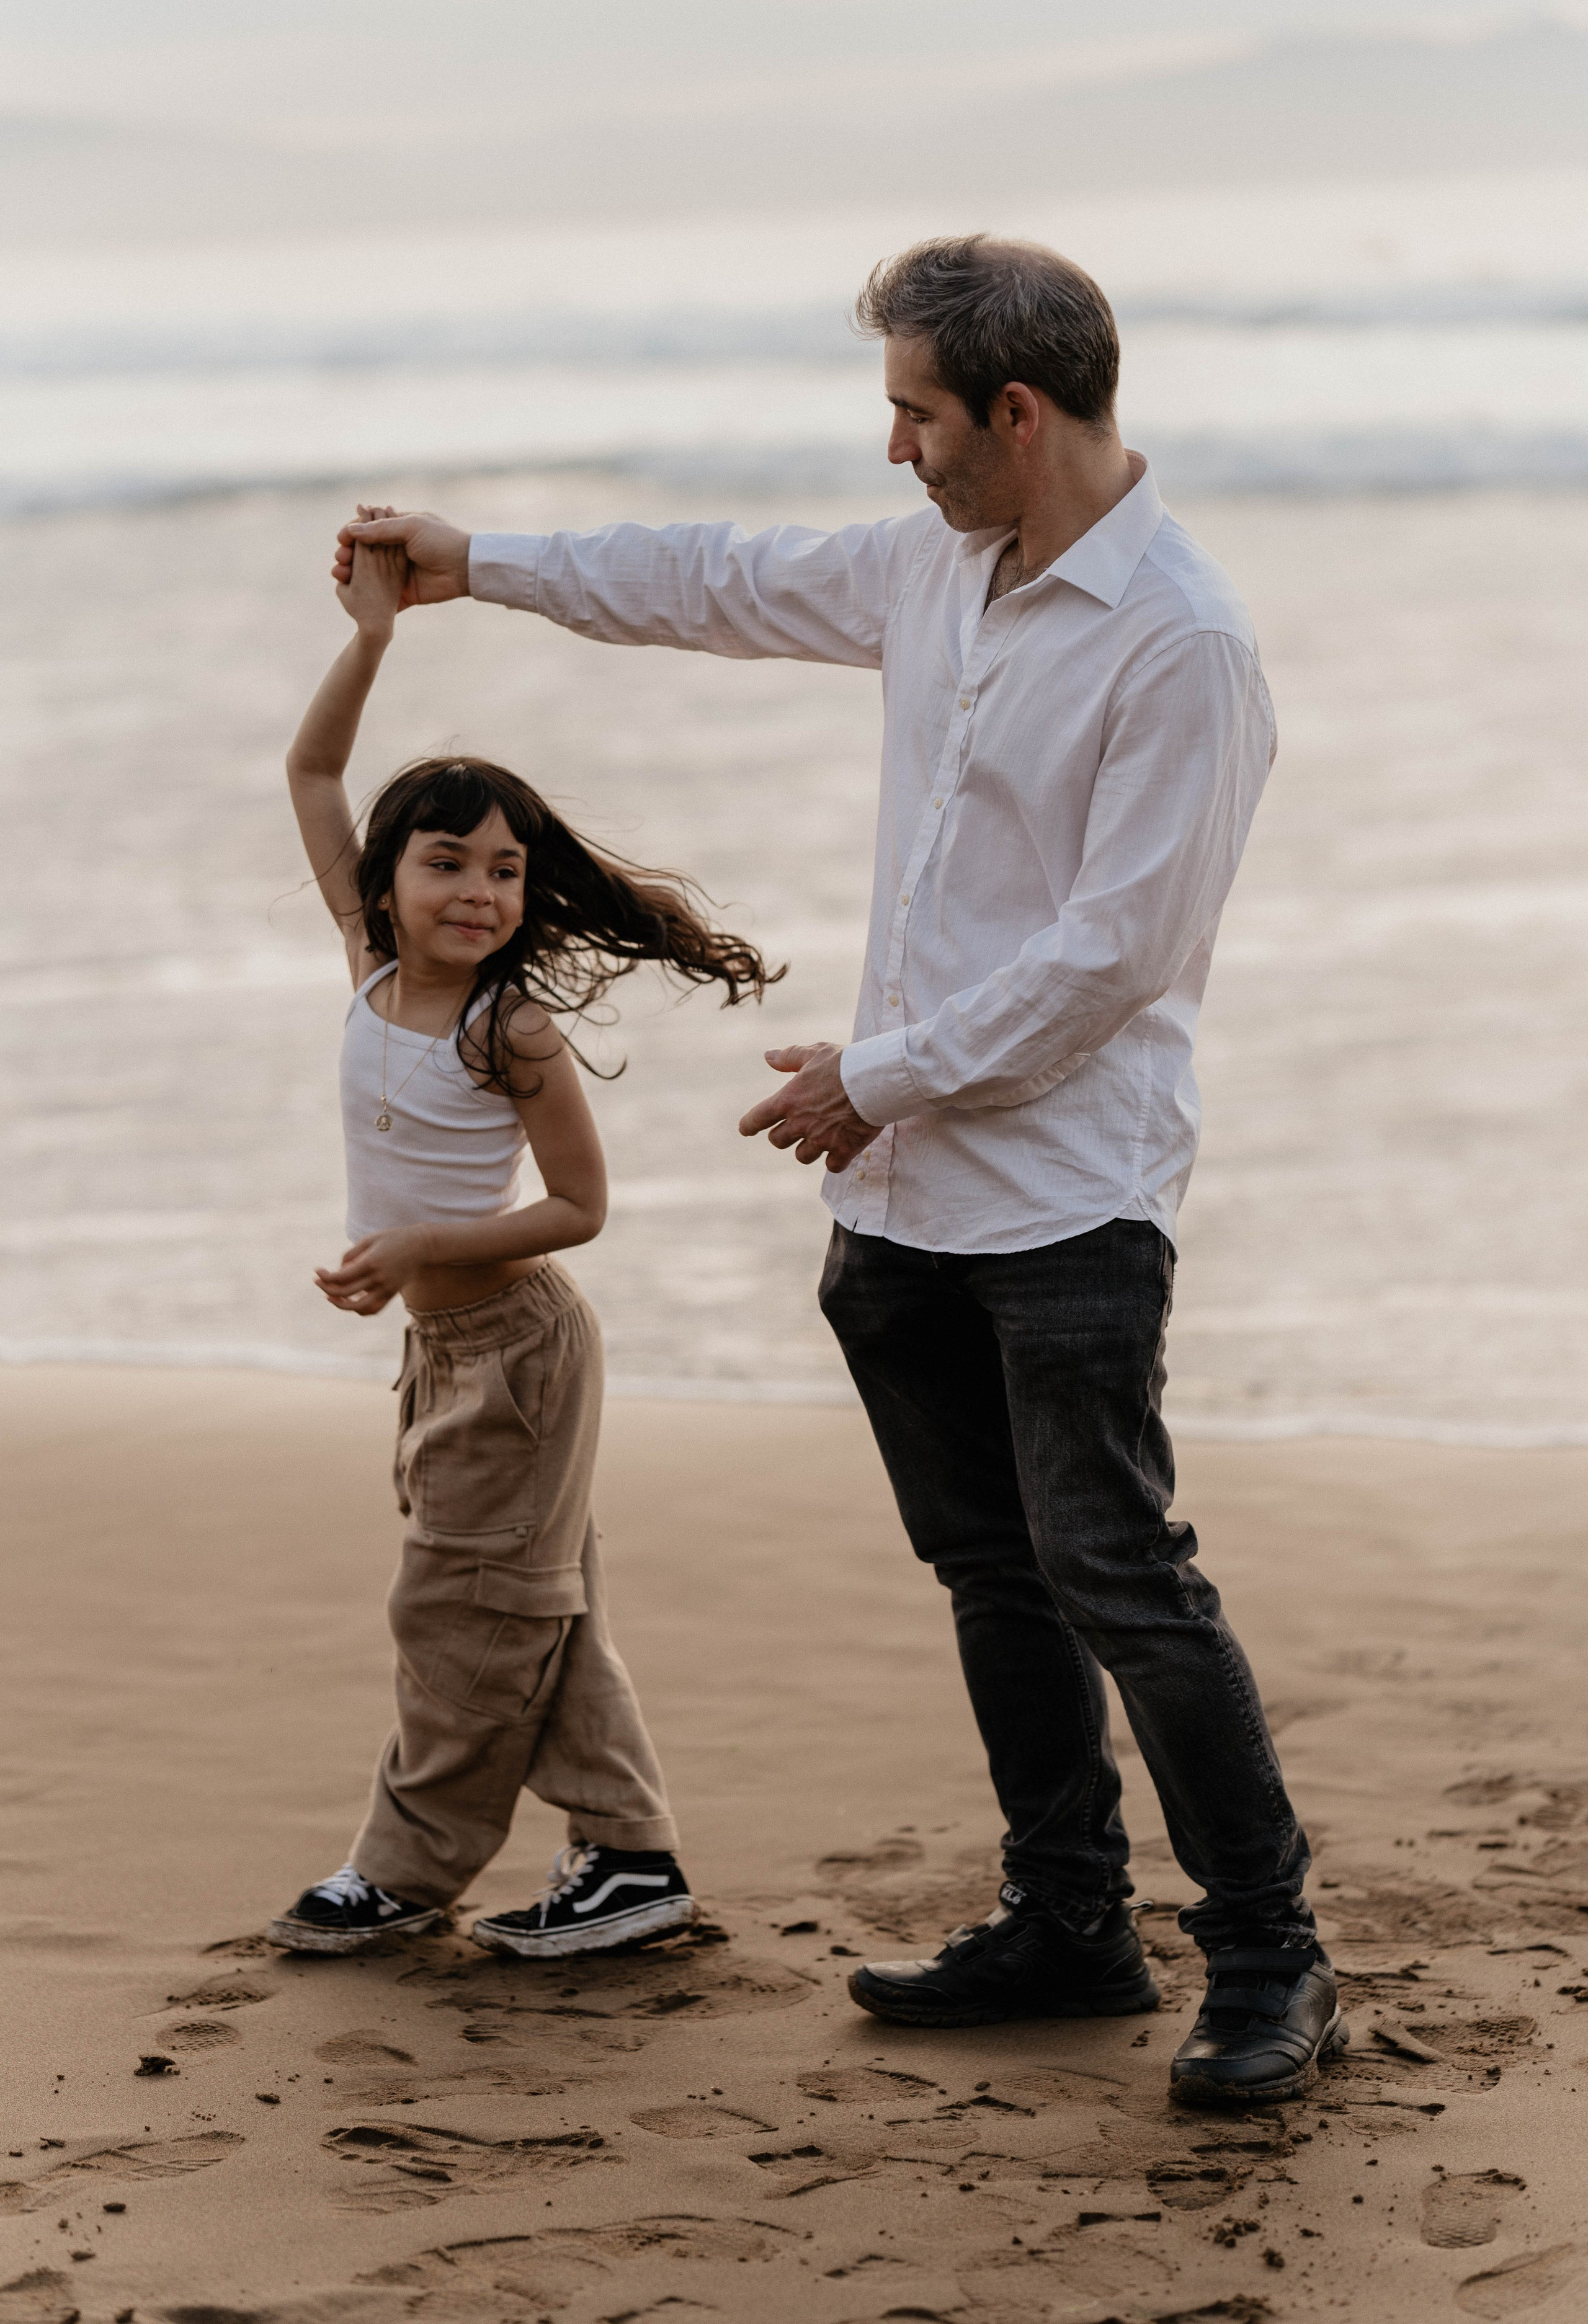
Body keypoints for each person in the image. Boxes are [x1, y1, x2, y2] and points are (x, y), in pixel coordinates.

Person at [329, 235, 1344, 2106]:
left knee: (1121, 1575)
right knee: (991, 1574)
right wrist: (485, 564)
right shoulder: (935, 569)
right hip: (900, 1209)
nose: (895, 451)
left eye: (917, 414)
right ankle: (1070, 1923)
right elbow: (715, 576)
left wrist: (879, 1078)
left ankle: (1275, 1954)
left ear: (1016, 414)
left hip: (1063, 1200)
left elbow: (1114, 957)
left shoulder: (1183, 643)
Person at [270, 517, 777, 1959]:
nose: (479, 894)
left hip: (516, 1347)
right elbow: (310, 775)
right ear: (387, 883)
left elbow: (581, 1211)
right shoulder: (369, 974)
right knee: (530, 1609)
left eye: (503, 872)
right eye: (448, 864)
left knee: (457, 1611)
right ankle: (629, 1861)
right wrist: (373, 639)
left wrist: (421, 1237)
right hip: (446, 1345)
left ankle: (406, 1870)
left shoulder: (515, 1033)